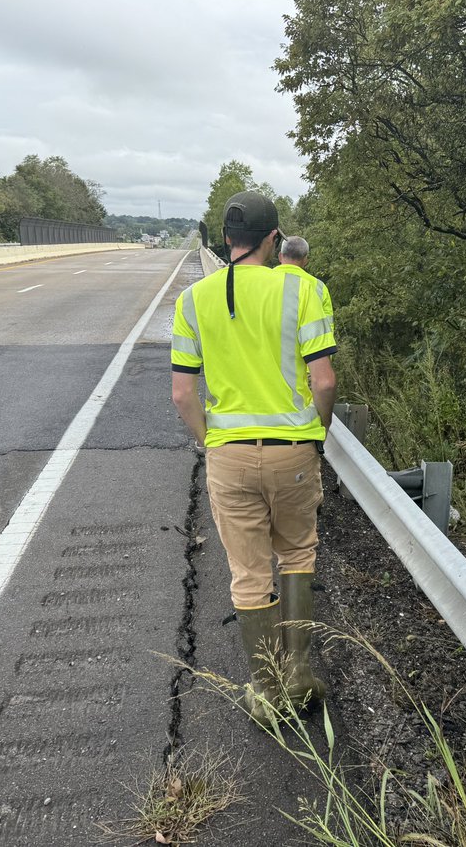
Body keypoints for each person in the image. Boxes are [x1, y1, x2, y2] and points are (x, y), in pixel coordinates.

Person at [171, 191, 337, 724]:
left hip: (229, 457)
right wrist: (318, 434)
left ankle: (265, 693)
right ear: (274, 240)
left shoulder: (192, 301)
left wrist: (211, 443)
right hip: (292, 453)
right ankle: (300, 677)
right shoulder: (303, 292)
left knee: (248, 574)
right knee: (297, 557)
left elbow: (181, 394)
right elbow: (324, 379)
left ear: (225, 239)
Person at [277, 235, 334, 333]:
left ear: (280, 256)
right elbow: (327, 329)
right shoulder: (319, 287)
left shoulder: (261, 281)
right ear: (305, 260)